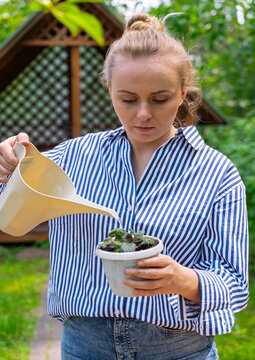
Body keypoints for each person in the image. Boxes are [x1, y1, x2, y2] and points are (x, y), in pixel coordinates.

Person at [0, 13, 249, 360]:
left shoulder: (217, 174)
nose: (143, 114)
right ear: (109, 91)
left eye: (159, 99)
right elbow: (10, 210)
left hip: (178, 350)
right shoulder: (71, 158)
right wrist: (8, 170)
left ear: (183, 90)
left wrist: (184, 280)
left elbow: (235, 285)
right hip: (85, 347)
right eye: (128, 99)